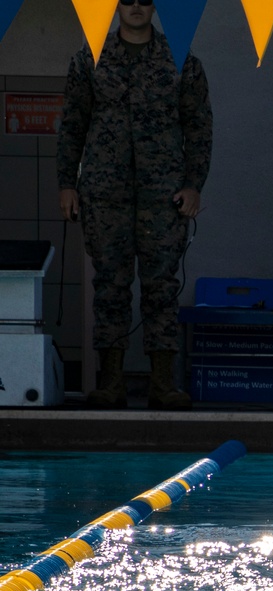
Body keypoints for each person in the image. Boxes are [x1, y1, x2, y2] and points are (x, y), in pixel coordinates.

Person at [57, 0, 212, 410]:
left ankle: (163, 383)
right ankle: (111, 383)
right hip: (105, 193)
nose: (137, 7)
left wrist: (194, 185)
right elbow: (72, 124)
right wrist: (66, 185)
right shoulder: (89, 59)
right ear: (116, 7)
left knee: (162, 287)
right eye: (128, 0)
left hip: (164, 195)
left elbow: (198, 128)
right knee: (110, 286)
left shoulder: (182, 61)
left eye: (145, 0)